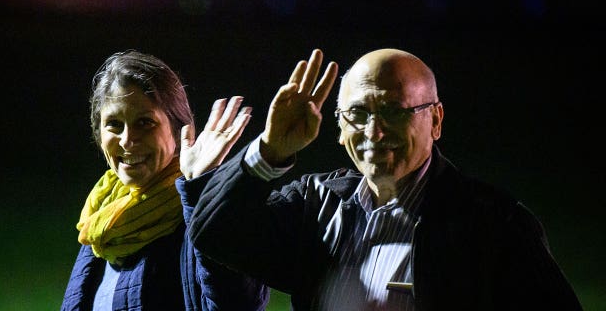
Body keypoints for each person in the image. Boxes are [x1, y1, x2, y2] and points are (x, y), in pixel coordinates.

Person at [177, 48, 583, 310]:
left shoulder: (495, 224)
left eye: (393, 111)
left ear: (436, 120)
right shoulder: (316, 205)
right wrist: (269, 152)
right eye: (357, 114)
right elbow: (213, 233)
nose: (374, 132)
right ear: (337, 127)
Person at [60, 49, 269, 310]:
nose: (127, 140)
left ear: (177, 129)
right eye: (114, 124)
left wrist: (202, 192)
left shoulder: (204, 211)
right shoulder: (103, 219)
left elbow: (237, 304)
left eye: (145, 123)